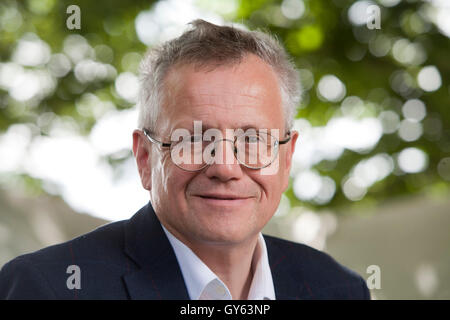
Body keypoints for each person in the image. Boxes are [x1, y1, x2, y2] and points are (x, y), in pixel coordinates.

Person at [0, 20, 370, 300]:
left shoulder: (339, 290)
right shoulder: (47, 288)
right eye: (194, 139)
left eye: (253, 139)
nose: (225, 167)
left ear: (286, 158)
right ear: (145, 158)